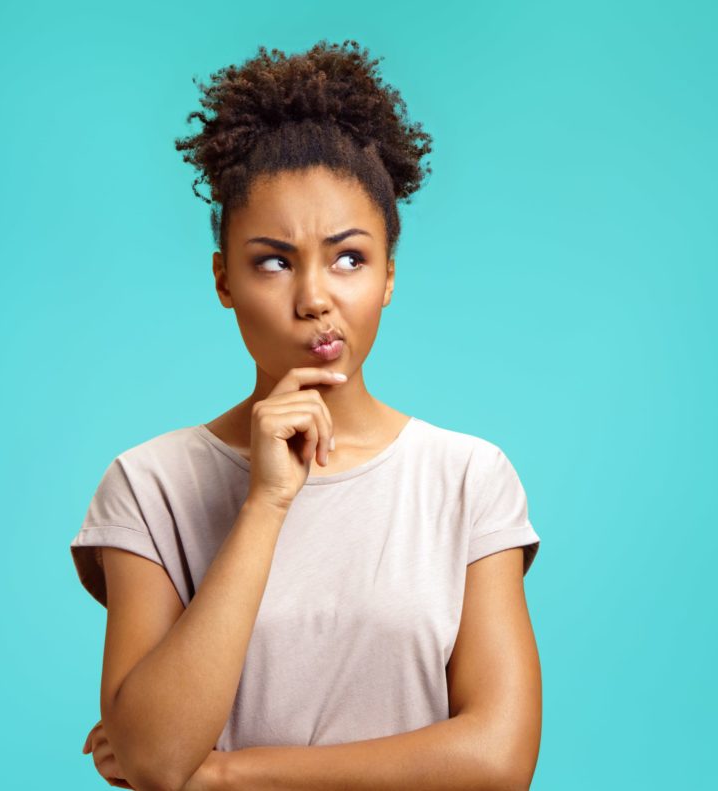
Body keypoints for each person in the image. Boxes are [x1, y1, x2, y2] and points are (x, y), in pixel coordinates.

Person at [70, 39, 542, 791]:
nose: (315, 297)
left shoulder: (468, 479)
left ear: (389, 273)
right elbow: (156, 757)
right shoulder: (148, 485)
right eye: (274, 260)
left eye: (349, 257)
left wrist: (230, 775)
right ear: (223, 277)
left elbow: (497, 757)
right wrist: (265, 502)